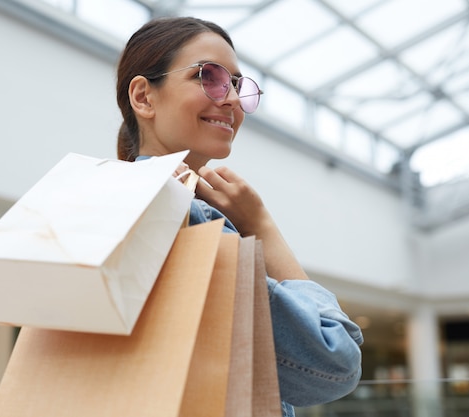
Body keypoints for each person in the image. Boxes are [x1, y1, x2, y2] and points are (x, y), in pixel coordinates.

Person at [116, 16, 364, 417]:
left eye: (237, 84)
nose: (230, 98)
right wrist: (262, 227)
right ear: (144, 97)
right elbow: (334, 364)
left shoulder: (115, 204)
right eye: (207, 76)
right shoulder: (188, 215)